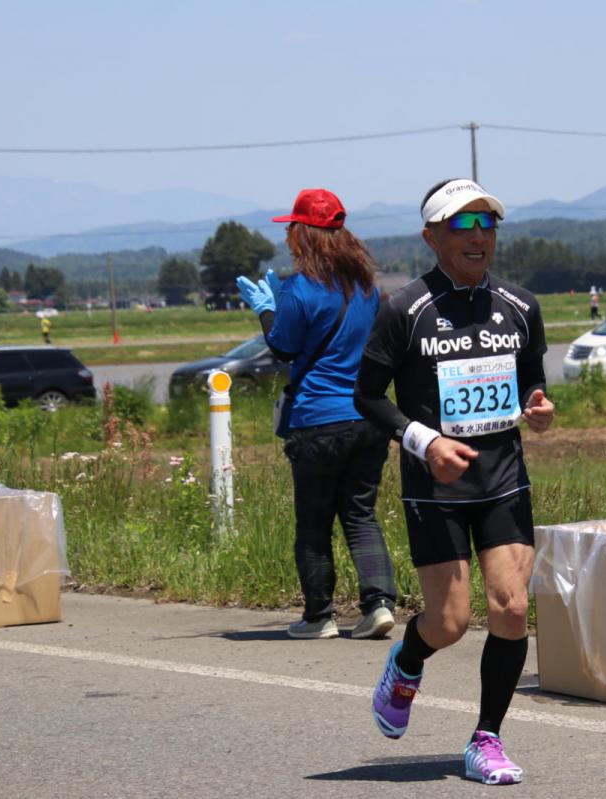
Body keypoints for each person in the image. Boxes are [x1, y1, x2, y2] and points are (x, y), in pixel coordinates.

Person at [354, 178, 555, 786]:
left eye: (487, 224)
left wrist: (539, 408)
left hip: (503, 480)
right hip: (433, 486)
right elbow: (366, 396)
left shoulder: (521, 307)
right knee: (447, 622)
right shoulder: (404, 310)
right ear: (431, 236)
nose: (478, 236)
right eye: (462, 225)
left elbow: (530, 385)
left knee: (512, 607)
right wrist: (426, 441)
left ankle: (486, 740)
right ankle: (408, 660)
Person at [236, 188, 397, 641]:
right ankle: (378, 604)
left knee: (314, 521)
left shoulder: (301, 288)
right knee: (361, 515)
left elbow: (283, 346)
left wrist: (267, 310)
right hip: (367, 418)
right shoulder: (368, 288)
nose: (288, 235)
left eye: (291, 227)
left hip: (317, 421)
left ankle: (319, 616)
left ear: (303, 233)